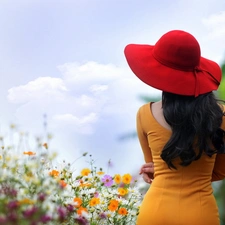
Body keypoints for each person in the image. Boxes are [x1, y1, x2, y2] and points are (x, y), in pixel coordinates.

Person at [124, 30, 225, 225]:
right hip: (201, 214)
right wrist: (194, 171)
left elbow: (154, 168)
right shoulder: (221, 116)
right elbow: (220, 171)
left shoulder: (144, 114)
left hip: (155, 212)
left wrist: (169, 170)